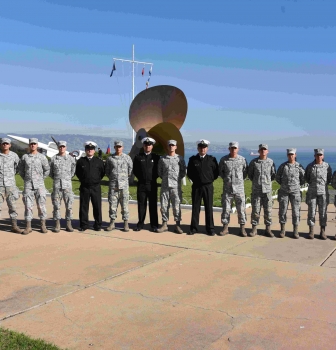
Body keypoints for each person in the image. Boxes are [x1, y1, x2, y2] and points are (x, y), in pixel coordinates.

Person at [187, 139, 219, 236]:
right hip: (196, 186)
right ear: (198, 148)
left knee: (209, 207)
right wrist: (197, 180)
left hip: (208, 186)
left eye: (204, 147)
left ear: (207, 148)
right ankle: (194, 228)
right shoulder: (193, 159)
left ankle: (210, 229)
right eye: (200, 147)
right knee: (195, 208)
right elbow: (189, 173)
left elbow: (216, 173)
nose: (202, 149)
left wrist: (209, 179)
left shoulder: (212, 159)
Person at [19, 138, 50, 234]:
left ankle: (43, 225)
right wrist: (27, 179)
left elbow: (47, 170)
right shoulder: (25, 157)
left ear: (37, 145)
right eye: (31, 144)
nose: (33, 145)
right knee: (28, 205)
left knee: (41, 206)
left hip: (40, 185)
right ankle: (28, 226)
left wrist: (41, 179)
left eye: (34, 144)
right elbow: (21, 170)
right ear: (29, 145)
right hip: (28, 185)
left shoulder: (42, 157)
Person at [218, 141, 248, 237]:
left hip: (239, 189)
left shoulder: (242, 160)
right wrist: (228, 181)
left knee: (241, 209)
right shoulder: (224, 160)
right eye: (232, 148)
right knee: (226, 209)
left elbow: (245, 173)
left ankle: (242, 228)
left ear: (238, 149)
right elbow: (221, 172)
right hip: (228, 189)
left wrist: (238, 182)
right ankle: (225, 227)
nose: (233, 150)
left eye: (235, 148)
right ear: (229, 149)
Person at [157, 140, 186, 234]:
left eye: (173, 145)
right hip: (165, 186)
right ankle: (164, 224)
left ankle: (177, 225)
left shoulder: (180, 159)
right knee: (164, 206)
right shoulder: (162, 159)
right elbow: (159, 172)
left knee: (176, 206)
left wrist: (175, 180)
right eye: (169, 145)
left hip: (175, 187)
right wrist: (166, 179)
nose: (171, 147)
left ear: (176, 147)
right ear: (167, 147)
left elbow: (183, 172)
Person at [275, 148, 305, 239]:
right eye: (289, 154)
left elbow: (303, 179)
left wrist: (295, 186)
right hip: (284, 192)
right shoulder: (283, 166)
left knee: (296, 212)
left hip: (295, 192)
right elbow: (277, 177)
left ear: (295, 155)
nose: (291, 156)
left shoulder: (299, 166)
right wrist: (284, 185)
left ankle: (295, 231)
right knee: (282, 211)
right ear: (287, 155)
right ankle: (282, 230)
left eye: (292, 154)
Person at [75, 141, 105, 231]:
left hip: (96, 187)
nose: (90, 150)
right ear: (85, 150)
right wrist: (84, 180)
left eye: (91, 149)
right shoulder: (81, 161)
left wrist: (96, 180)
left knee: (97, 206)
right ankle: (84, 225)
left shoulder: (99, 161)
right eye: (88, 149)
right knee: (84, 207)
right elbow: (78, 173)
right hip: (85, 187)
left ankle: (98, 225)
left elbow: (102, 173)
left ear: (94, 151)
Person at [248, 144, 276, 237]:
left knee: (268, 211)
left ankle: (268, 229)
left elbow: (273, 175)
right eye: (261, 149)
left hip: (267, 191)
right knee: (255, 210)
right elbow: (250, 175)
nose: (263, 151)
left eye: (265, 149)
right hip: (257, 191)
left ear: (268, 151)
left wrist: (267, 184)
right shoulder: (254, 162)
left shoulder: (271, 162)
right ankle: (254, 229)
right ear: (259, 151)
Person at [132, 137, 160, 232]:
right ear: (143, 146)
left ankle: (154, 224)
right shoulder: (138, 157)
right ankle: (140, 224)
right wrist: (141, 178)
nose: (147, 146)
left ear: (152, 146)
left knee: (153, 205)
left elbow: (158, 170)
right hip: (141, 184)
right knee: (141, 205)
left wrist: (153, 178)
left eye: (149, 145)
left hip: (152, 184)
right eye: (146, 145)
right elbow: (135, 170)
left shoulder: (156, 158)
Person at [105, 140, 133, 232]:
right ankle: (112, 223)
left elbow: (130, 170)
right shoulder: (110, 159)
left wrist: (123, 178)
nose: (118, 148)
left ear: (123, 147)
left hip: (124, 186)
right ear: (114, 147)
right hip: (113, 186)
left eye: (120, 146)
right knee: (112, 205)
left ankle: (125, 223)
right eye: (117, 146)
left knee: (125, 206)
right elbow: (107, 171)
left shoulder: (127, 158)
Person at [305, 149, 332, 240]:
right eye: (317, 155)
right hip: (312, 193)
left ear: (323, 156)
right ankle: (311, 231)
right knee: (311, 212)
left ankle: (322, 231)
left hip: (323, 193)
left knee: (323, 212)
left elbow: (329, 179)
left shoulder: (327, 166)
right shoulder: (310, 166)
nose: (319, 156)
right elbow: (307, 178)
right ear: (314, 156)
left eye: (320, 155)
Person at [49, 141, 76, 232]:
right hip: (57, 186)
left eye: (63, 146)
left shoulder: (71, 159)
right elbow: (51, 173)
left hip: (67, 186)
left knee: (69, 206)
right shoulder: (53, 159)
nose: (62, 148)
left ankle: (68, 224)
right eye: (60, 147)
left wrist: (67, 178)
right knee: (56, 206)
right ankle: (57, 224)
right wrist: (57, 179)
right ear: (58, 147)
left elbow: (73, 171)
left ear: (66, 147)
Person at [0, 137, 22, 233]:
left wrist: (10, 176)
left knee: (12, 206)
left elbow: (17, 168)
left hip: (10, 185)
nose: (5, 145)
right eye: (3, 143)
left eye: (7, 143)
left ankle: (14, 226)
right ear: (1, 145)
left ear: (10, 145)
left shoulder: (14, 156)